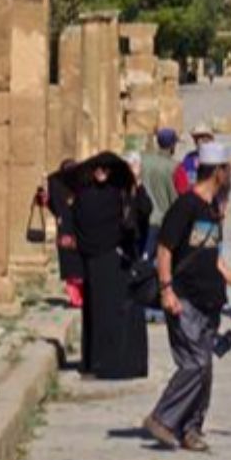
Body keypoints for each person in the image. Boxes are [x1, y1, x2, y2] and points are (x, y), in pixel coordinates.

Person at [145, 144, 231, 453]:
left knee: (205, 368)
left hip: (210, 302)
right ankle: (162, 418)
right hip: (184, 298)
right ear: (218, 172)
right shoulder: (185, 207)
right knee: (194, 363)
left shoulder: (211, 210)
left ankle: (191, 429)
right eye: (228, 170)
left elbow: (215, 259)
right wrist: (167, 289)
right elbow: (164, 250)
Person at [72, 152, 149, 380]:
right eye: (98, 169)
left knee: (117, 313)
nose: (101, 173)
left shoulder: (121, 194)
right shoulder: (85, 197)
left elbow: (144, 210)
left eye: (106, 169)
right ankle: (98, 362)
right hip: (99, 262)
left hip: (117, 262)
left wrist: (136, 184)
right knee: (99, 313)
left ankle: (117, 362)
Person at [43, 159, 84, 308]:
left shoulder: (57, 184)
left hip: (67, 226)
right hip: (75, 227)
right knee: (74, 263)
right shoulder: (80, 185)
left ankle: (77, 298)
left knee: (71, 264)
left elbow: (52, 206)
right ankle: (78, 298)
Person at [139, 128, 180, 257]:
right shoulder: (175, 167)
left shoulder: (143, 160)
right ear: (173, 145)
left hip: (142, 216)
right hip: (162, 220)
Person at [174, 124, 215, 197]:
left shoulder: (215, 159)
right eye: (197, 138)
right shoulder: (189, 157)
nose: (200, 141)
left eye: (203, 138)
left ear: (210, 139)